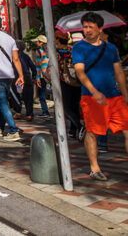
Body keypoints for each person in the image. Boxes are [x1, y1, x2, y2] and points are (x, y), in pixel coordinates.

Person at [72, 11, 128, 182]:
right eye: (85, 27)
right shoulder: (79, 48)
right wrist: (94, 92)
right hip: (91, 97)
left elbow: (118, 72)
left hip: (114, 96)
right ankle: (94, 167)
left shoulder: (110, 48)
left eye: (91, 27)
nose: (87, 30)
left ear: (100, 29)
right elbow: (80, 72)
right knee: (93, 132)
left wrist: (125, 95)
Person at [55, 28, 82, 137]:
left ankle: (80, 127)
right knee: (74, 105)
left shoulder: (56, 52)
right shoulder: (73, 50)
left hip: (64, 81)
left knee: (65, 107)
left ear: (57, 39)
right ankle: (73, 129)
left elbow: (52, 66)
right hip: (77, 80)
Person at [17, 41, 38, 122]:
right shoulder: (26, 56)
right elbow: (33, 67)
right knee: (28, 97)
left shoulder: (14, 57)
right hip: (26, 77)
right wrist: (33, 76)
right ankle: (29, 114)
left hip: (17, 78)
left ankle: (18, 111)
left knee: (17, 95)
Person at [31, 35, 51, 118]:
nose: (36, 43)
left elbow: (38, 66)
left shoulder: (39, 51)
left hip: (43, 76)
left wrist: (37, 78)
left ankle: (45, 111)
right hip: (51, 75)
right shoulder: (50, 50)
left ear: (41, 42)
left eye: (37, 41)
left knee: (41, 94)